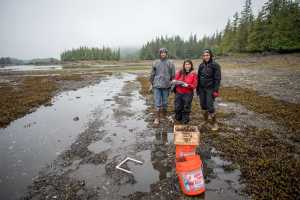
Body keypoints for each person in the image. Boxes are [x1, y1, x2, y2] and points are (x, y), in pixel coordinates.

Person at [196, 49, 221, 131]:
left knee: (210, 106)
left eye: (207, 55)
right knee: (203, 105)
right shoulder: (201, 65)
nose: (206, 57)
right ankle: (205, 121)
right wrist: (197, 89)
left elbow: (217, 79)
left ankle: (215, 123)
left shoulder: (215, 65)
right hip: (201, 89)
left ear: (210, 56)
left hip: (210, 89)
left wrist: (216, 91)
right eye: (204, 55)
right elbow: (198, 78)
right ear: (202, 57)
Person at [149, 48, 175, 125]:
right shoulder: (155, 62)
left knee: (165, 102)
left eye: (164, 53)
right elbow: (152, 74)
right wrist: (151, 84)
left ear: (166, 54)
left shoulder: (170, 63)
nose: (163, 54)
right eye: (161, 53)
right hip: (156, 86)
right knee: (157, 102)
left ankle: (164, 116)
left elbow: (173, 76)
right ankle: (157, 118)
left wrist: (172, 86)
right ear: (159, 54)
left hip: (166, 86)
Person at [173, 60, 198, 124]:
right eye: (186, 64)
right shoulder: (180, 72)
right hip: (179, 92)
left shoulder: (194, 73)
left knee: (186, 107)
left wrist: (188, 85)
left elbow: (194, 85)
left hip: (188, 93)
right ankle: (178, 118)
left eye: (189, 64)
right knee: (177, 107)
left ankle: (185, 120)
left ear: (191, 65)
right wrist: (176, 82)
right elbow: (174, 80)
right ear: (184, 65)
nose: (187, 66)